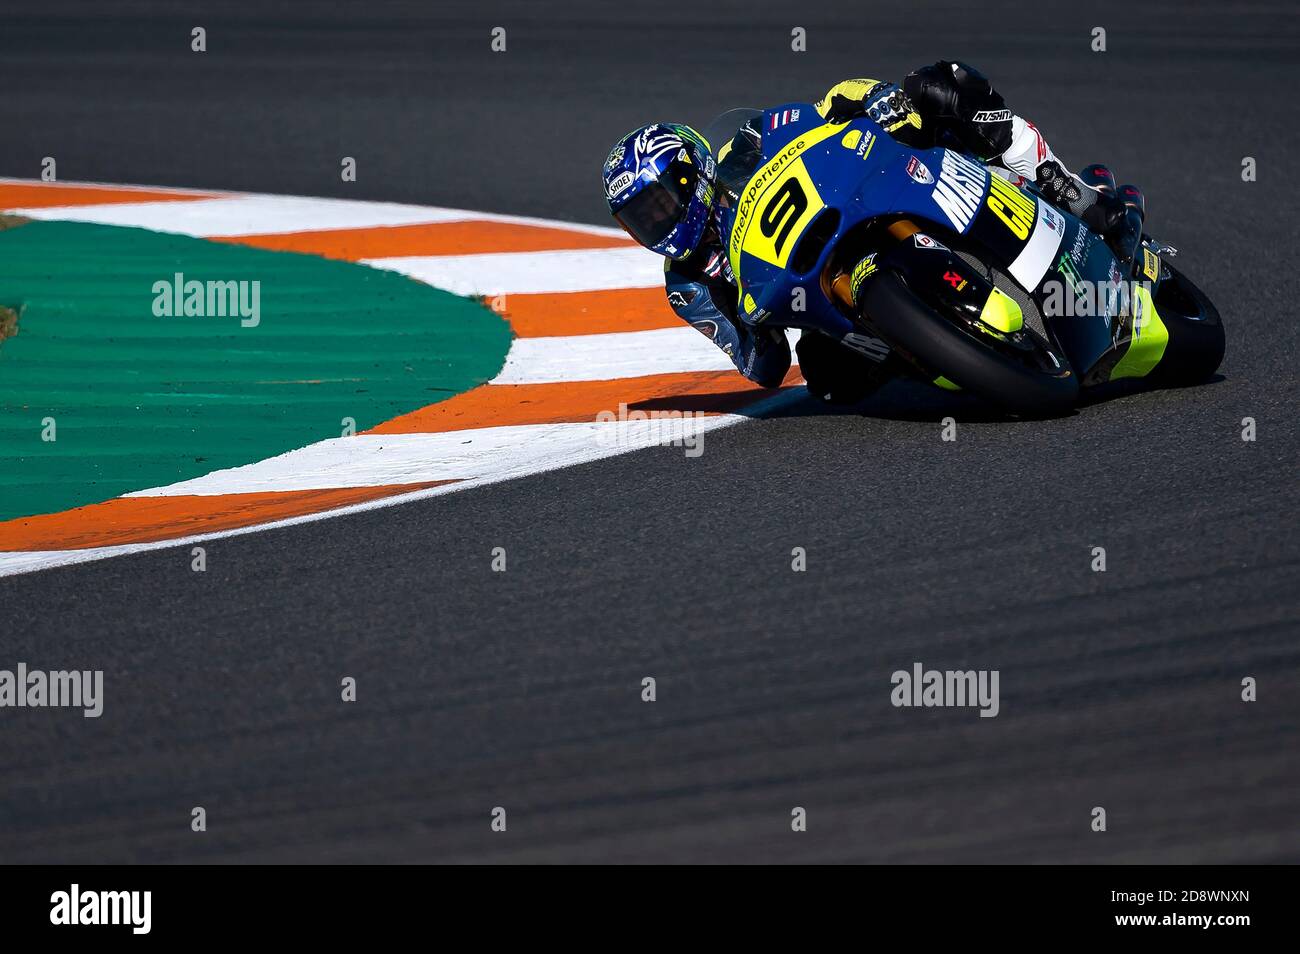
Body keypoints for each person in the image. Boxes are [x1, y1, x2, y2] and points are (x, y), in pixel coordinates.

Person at [601, 62, 1133, 403]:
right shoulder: (686, 286)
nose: (658, 223)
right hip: (818, 290)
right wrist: (748, 325)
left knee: (938, 88)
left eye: (659, 203)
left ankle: (1072, 194)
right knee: (826, 376)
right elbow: (764, 366)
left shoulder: (740, 147)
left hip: (865, 193)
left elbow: (826, 105)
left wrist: (875, 97)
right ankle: (938, 349)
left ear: (692, 174)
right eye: (641, 220)